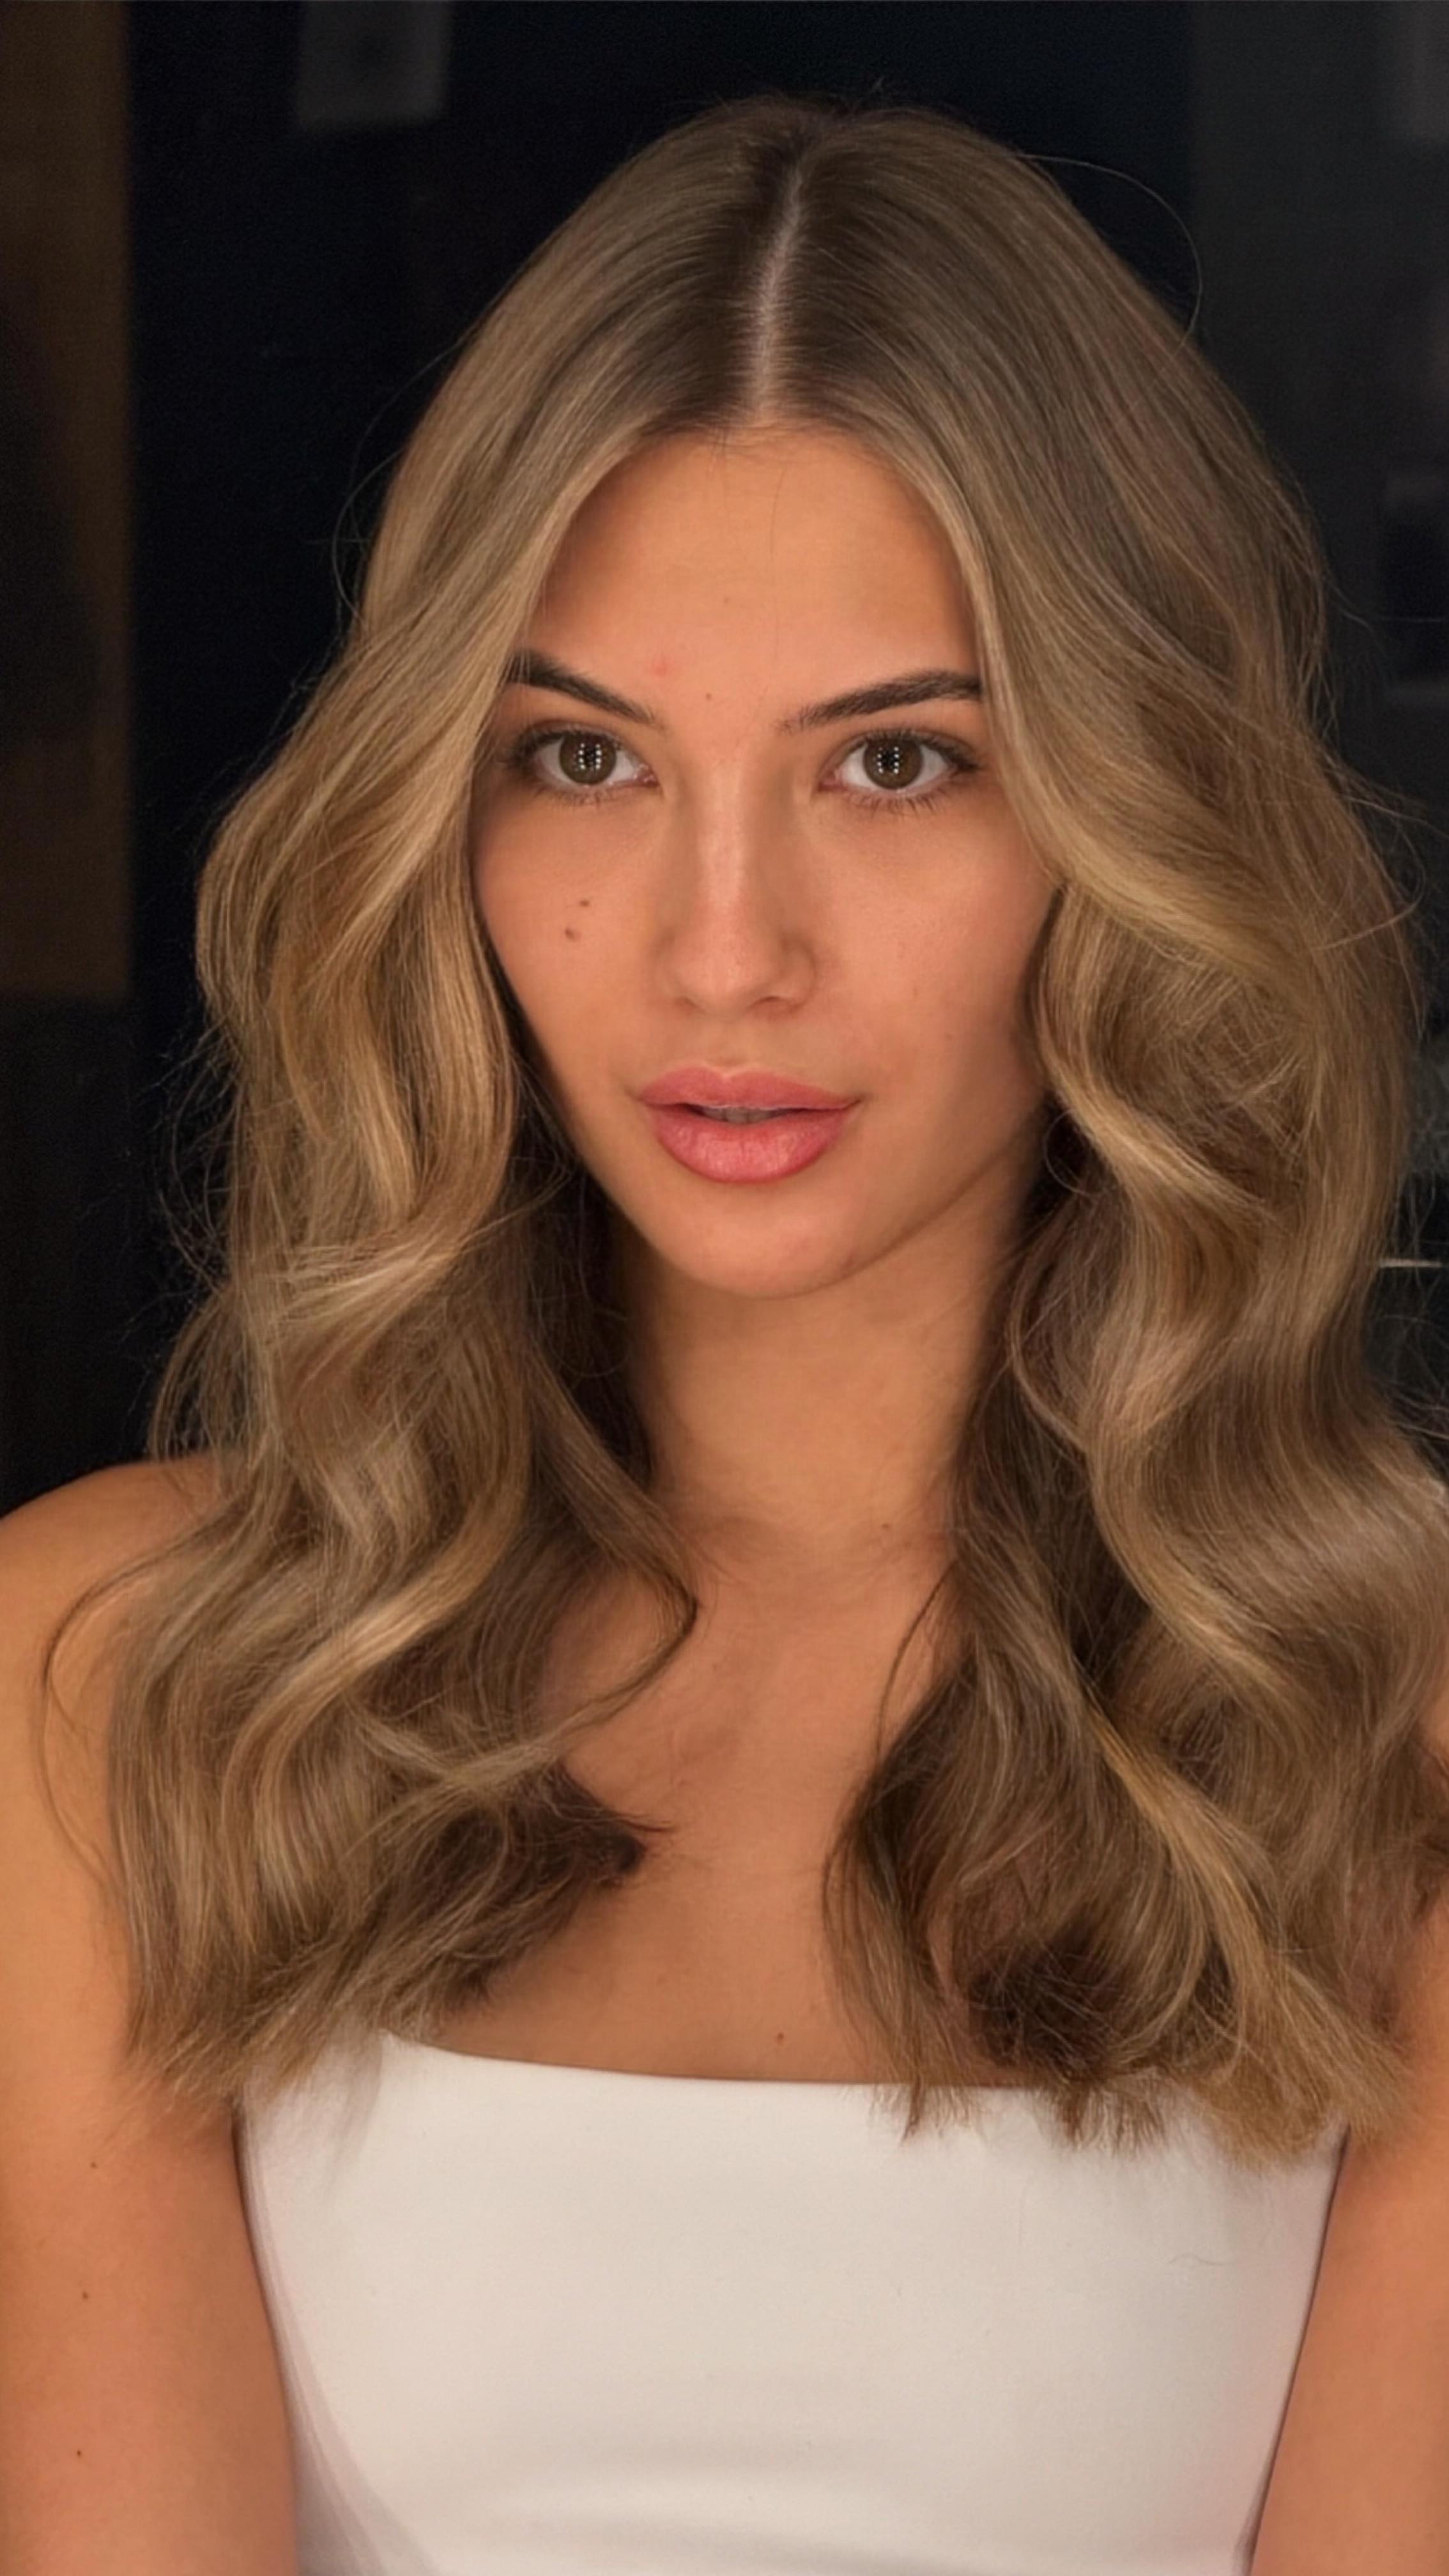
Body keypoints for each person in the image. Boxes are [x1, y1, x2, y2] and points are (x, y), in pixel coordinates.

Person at [5, 89, 1449, 2576]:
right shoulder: (115, 1678)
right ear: (441, 821)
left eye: (894, 763)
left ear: (1127, 822)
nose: (720, 949)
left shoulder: (1384, 1724)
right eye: (586, 758)